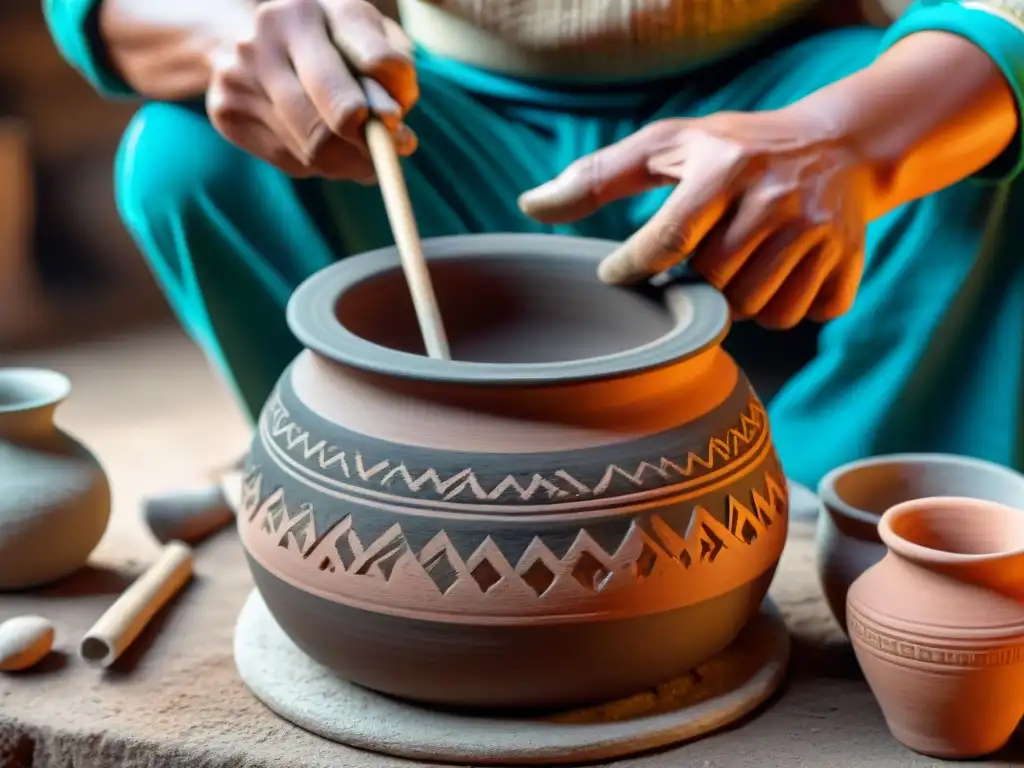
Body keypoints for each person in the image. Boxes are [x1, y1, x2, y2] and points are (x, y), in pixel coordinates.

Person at [44, 0, 1022, 488]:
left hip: (795, 105)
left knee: (991, 155)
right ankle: (348, 495)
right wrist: (233, 31)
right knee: (187, 155)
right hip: (425, 115)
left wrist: (850, 137)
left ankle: (856, 523)